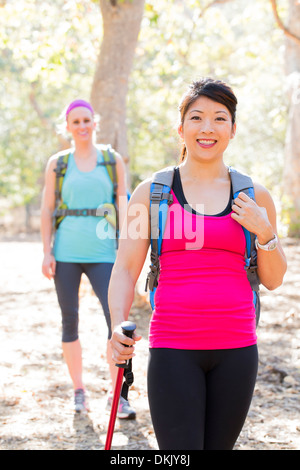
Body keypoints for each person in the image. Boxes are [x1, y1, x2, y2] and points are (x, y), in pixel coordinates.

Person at [108, 78, 287, 449]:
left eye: (220, 118)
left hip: (237, 349)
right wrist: (115, 326)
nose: (208, 128)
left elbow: (273, 279)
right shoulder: (152, 193)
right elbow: (126, 267)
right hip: (173, 347)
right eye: (197, 117)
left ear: (233, 130)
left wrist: (264, 231)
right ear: (182, 128)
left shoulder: (254, 195)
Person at [40, 99, 136, 418]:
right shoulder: (58, 163)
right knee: (70, 321)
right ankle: (79, 390)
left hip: (104, 252)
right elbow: (46, 209)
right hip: (66, 253)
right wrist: (46, 251)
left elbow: (123, 205)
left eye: (86, 120)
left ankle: (118, 394)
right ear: (67, 126)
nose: (81, 126)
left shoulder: (112, 161)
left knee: (116, 322)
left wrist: (127, 248)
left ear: (95, 122)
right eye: (75, 122)